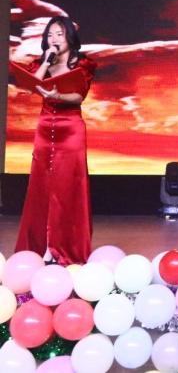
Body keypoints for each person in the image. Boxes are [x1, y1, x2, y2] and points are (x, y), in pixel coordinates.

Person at [15, 16, 97, 264]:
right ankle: (39, 247)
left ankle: (65, 248)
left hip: (70, 130)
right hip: (44, 129)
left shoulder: (82, 64)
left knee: (67, 188)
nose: (54, 39)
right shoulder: (41, 62)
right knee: (41, 188)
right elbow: (32, 85)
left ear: (69, 37)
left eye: (59, 34)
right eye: (50, 35)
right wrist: (46, 60)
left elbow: (79, 96)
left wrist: (58, 95)